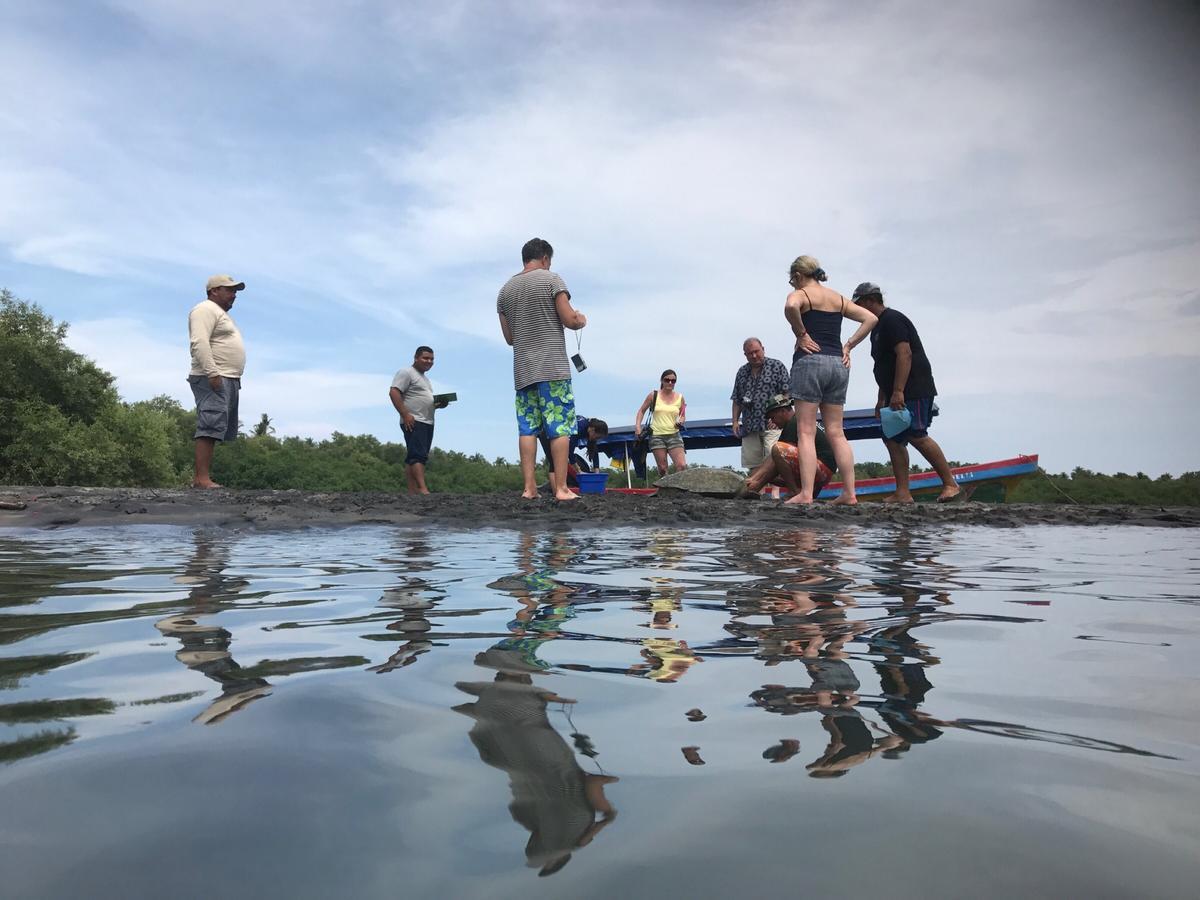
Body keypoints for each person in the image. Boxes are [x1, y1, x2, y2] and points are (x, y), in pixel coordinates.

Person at [852, 282, 961, 502]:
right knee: (892, 438)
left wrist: (899, 391)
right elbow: (883, 365)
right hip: (892, 392)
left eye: (860, 304)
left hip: (913, 388)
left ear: (871, 301)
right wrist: (881, 398)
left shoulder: (892, 320)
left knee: (916, 434)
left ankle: (951, 484)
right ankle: (903, 492)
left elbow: (905, 354)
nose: (857, 310)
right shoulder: (876, 328)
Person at [497, 238, 588, 501]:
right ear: (545, 258)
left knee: (528, 429)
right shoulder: (552, 280)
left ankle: (529, 488)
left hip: (523, 371)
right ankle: (561, 488)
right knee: (559, 427)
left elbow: (509, 338)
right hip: (552, 368)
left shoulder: (505, 291)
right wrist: (580, 319)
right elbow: (569, 319)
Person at [783, 256, 877, 505]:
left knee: (805, 430)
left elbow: (790, 306)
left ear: (799, 275)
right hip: (838, 363)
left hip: (811, 361)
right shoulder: (837, 297)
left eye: (792, 279)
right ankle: (850, 493)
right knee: (836, 432)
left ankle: (805, 493)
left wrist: (801, 333)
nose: (792, 284)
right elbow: (871, 318)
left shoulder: (803, 294)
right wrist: (849, 345)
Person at [187, 274, 247, 489]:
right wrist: (212, 373)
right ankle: (201, 479)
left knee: (217, 426)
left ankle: (203, 478)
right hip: (213, 375)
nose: (234, 295)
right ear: (214, 291)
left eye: (235, 292)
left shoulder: (219, 314)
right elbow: (199, 342)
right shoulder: (204, 309)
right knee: (210, 423)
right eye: (229, 290)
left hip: (226, 376)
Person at [738, 393, 838, 498]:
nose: (772, 422)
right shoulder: (799, 420)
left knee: (778, 450)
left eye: (773, 417)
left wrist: (754, 478)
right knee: (774, 468)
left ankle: (793, 491)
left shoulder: (794, 422)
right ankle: (755, 488)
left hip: (821, 468)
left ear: (783, 411)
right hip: (823, 470)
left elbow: (775, 455)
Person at [389, 345, 449, 494]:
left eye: (431, 359)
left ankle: (412, 491)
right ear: (416, 358)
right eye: (425, 358)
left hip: (427, 421)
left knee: (413, 456)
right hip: (414, 420)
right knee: (418, 456)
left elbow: (421, 400)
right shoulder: (407, 372)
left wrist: (438, 405)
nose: (429, 361)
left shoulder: (425, 379)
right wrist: (405, 414)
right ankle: (423, 489)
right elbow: (394, 392)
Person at [730, 337, 791, 469]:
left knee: (775, 460)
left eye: (756, 351)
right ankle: (757, 490)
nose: (754, 355)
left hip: (773, 425)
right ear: (745, 354)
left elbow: (787, 393)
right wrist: (735, 421)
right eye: (750, 353)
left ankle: (776, 491)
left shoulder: (777, 366)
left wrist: (780, 417)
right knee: (753, 465)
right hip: (749, 426)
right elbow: (736, 399)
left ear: (763, 349)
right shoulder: (741, 372)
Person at [634, 370, 686, 477]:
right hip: (657, 435)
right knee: (662, 468)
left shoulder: (680, 397)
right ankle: (665, 491)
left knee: (682, 465)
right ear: (662, 381)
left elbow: (682, 413)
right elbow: (641, 411)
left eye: (673, 381)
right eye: (667, 380)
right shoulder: (653, 395)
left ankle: (679, 490)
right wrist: (638, 427)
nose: (670, 383)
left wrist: (681, 421)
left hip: (674, 435)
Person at [540, 416, 609, 493]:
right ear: (592, 429)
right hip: (547, 432)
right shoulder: (579, 427)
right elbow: (570, 451)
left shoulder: (589, 429)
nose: (597, 439)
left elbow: (594, 450)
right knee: (555, 462)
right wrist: (579, 471)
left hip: (558, 432)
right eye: (598, 437)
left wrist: (597, 472)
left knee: (558, 461)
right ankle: (556, 492)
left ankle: (558, 491)